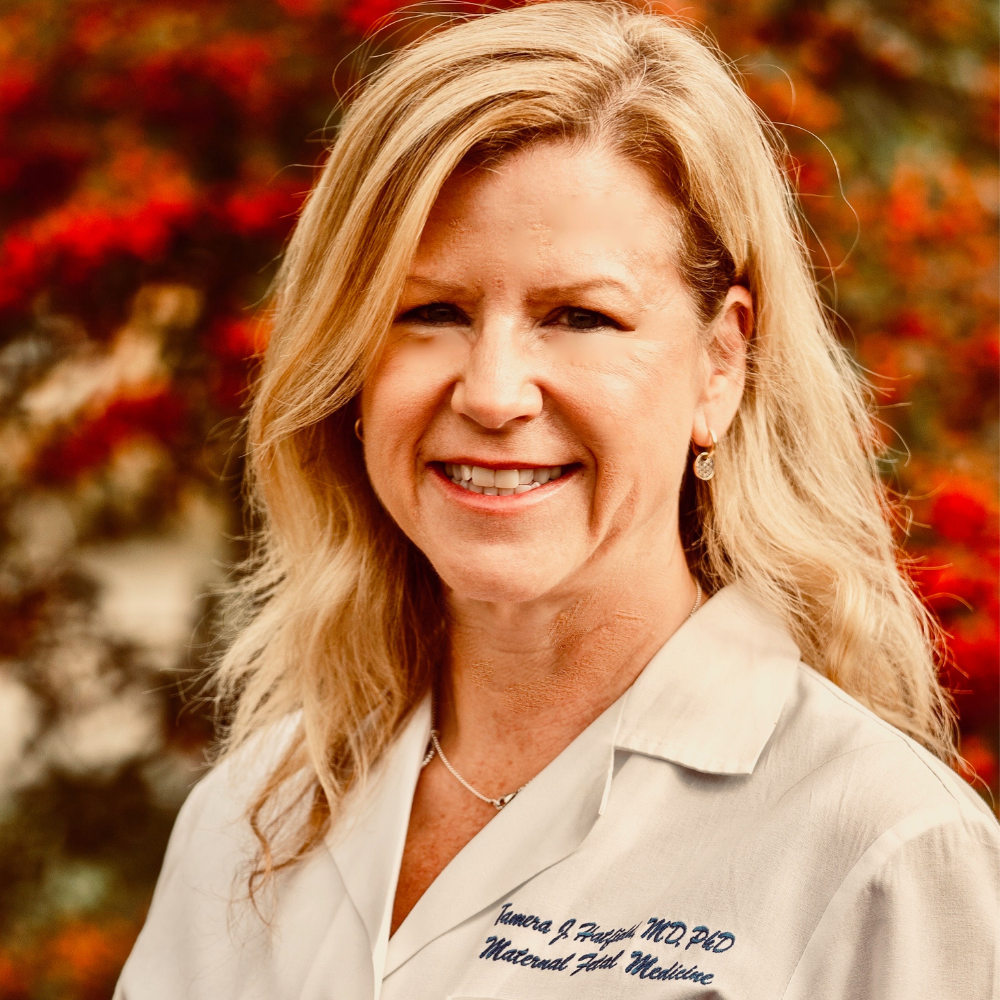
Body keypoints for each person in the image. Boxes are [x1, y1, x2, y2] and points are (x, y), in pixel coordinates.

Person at [114, 3, 999, 998]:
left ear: (720, 363)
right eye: (430, 312)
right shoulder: (252, 813)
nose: (492, 392)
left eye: (579, 315)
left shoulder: (878, 850)